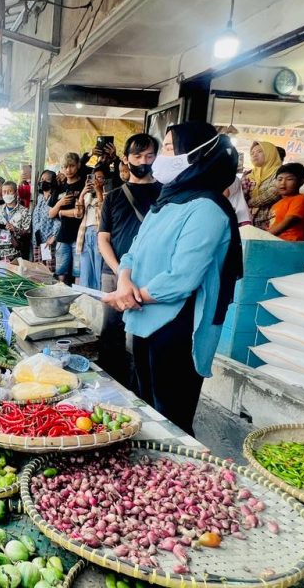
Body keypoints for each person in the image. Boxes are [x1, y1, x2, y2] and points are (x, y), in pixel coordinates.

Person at [103, 122, 242, 435]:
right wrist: (124, 282)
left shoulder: (207, 208)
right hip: (143, 319)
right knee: (144, 405)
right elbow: (132, 252)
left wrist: (131, 296)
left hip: (178, 328)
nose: (159, 158)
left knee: (171, 417)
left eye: (166, 148)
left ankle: (175, 477)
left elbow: (182, 278)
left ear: (195, 155)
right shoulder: (164, 203)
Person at [97, 133, 161, 388]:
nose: (143, 161)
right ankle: (109, 388)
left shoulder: (166, 194)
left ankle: (139, 391)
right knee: (111, 331)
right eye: (137, 155)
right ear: (125, 159)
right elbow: (103, 239)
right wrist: (121, 272)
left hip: (151, 277)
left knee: (144, 335)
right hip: (113, 275)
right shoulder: (113, 196)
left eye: (149, 155)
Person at [49, 153, 85, 284]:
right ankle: (60, 294)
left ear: (78, 165)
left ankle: (77, 300)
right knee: (60, 270)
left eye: (72, 166)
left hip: (80, 235)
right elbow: (50, 213)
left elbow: (79, 213)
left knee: (78, 270)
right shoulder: (60, 187)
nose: (68, 170)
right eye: (65, 167)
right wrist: (60, 203)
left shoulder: (83, 185)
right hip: (63, 235)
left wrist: (61, 212)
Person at [76, 167, 106, 289]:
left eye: (100, 177)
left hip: (99, 233)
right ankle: (85, 299)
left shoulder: (107, 194)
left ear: (104, 180)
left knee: (98, 268)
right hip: (85, 233)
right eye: (94, 177)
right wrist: (83, 193)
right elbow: (78, 214)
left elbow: (104, 214)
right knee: (85, 269)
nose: (96, 180)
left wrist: (99, 192)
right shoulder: (87, 195)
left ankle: (99, 300)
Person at [243, 140, 282, 230]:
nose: (254, 155)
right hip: (250, 222)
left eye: (259, 151)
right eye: (252, 153)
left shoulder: (279, 172)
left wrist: (248, 203)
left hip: (271, 222)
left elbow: (273, 193)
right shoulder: (249, 174)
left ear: (270, 153)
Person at [269, 163, 304, 241]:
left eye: (289, 179)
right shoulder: (276, 204)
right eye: (280, 179)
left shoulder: (300, 199)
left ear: (301, 181)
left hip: (290, 245)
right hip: (275, 242)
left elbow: (289, 221)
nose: (282, 183)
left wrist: (264, 236)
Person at [0, 181, 30, 261]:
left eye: (9, 191)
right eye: (4, 192)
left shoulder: (24, 211)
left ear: (16, 193)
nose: (6, 194)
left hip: (14, 254)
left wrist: (15, 229)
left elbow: (27, 232)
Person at [32, 170, 61, 266]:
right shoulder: (40, 198)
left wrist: (54, 236)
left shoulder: (55, 198)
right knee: (38, 269)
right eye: (42, 179)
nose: (43, 182)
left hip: (47, 241)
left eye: (47, 180)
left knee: (48, 270)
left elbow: (58, 220)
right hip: (37, 240)